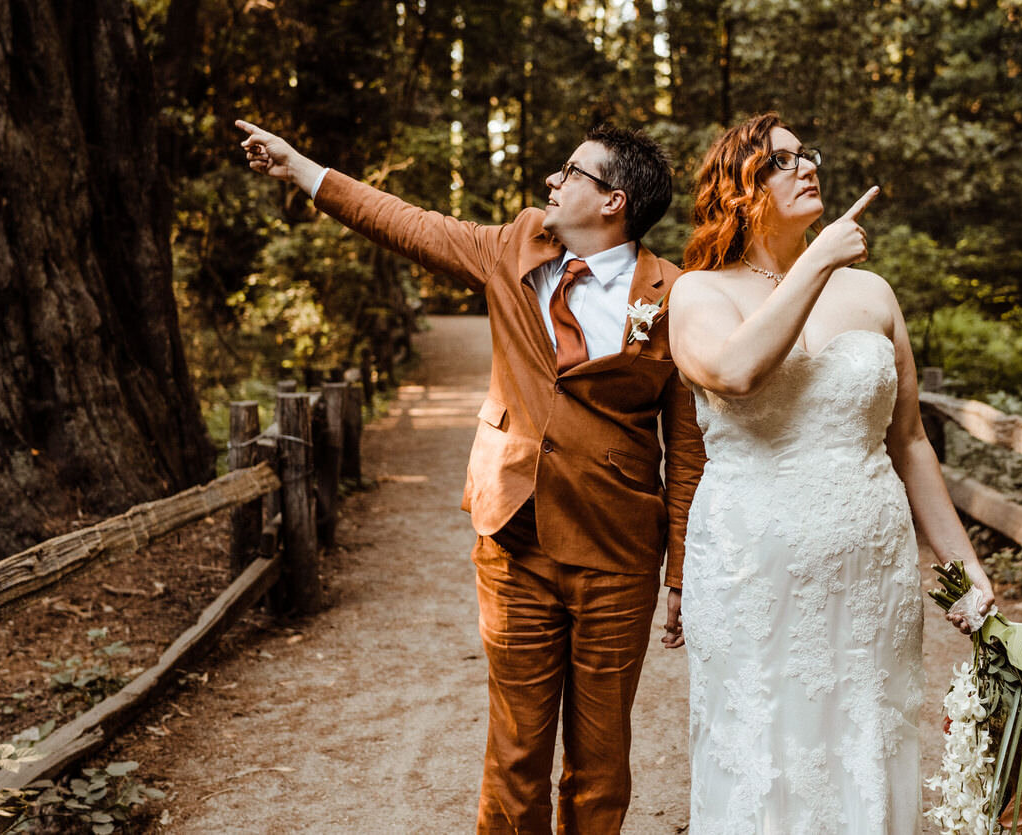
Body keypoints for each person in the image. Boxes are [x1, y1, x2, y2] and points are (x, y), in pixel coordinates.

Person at [235, 118, 705, 834]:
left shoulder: (674, 295)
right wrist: (303, 168)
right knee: (515, 754)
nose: (553, 180)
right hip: (513, 538)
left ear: (614, 200)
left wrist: (682, 572)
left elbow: (688, 446)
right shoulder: (514, 243)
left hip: (617, 557)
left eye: (571, 172)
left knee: (602, 760)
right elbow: (407, 222)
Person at [667, 112, 996, 833]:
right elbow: (735, 371)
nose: (806, 166)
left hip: (871, 573)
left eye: (806, 154)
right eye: (781, 161)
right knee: (762, 747)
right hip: (751, 571)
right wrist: (817, 263)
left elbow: (910, 443)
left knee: (868, 743)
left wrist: (963, 565)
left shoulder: (873, 294)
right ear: (739, 189)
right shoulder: (698, 293)